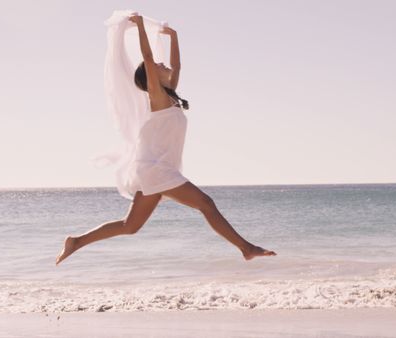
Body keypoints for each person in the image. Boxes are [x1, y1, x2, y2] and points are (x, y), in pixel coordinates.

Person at [55, 14, 276, 265]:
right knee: (206, 203)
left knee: (130, 226)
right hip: (157, 170)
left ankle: (76, 241)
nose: (162, 65)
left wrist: (174, 37)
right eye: (158, 66)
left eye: (162, 64)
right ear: (151, 79)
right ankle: (246, 248)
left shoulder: (170, 98)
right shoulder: (157, 98)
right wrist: (140, 27)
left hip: (157, 169)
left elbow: (177, 66)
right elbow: (148, 58)